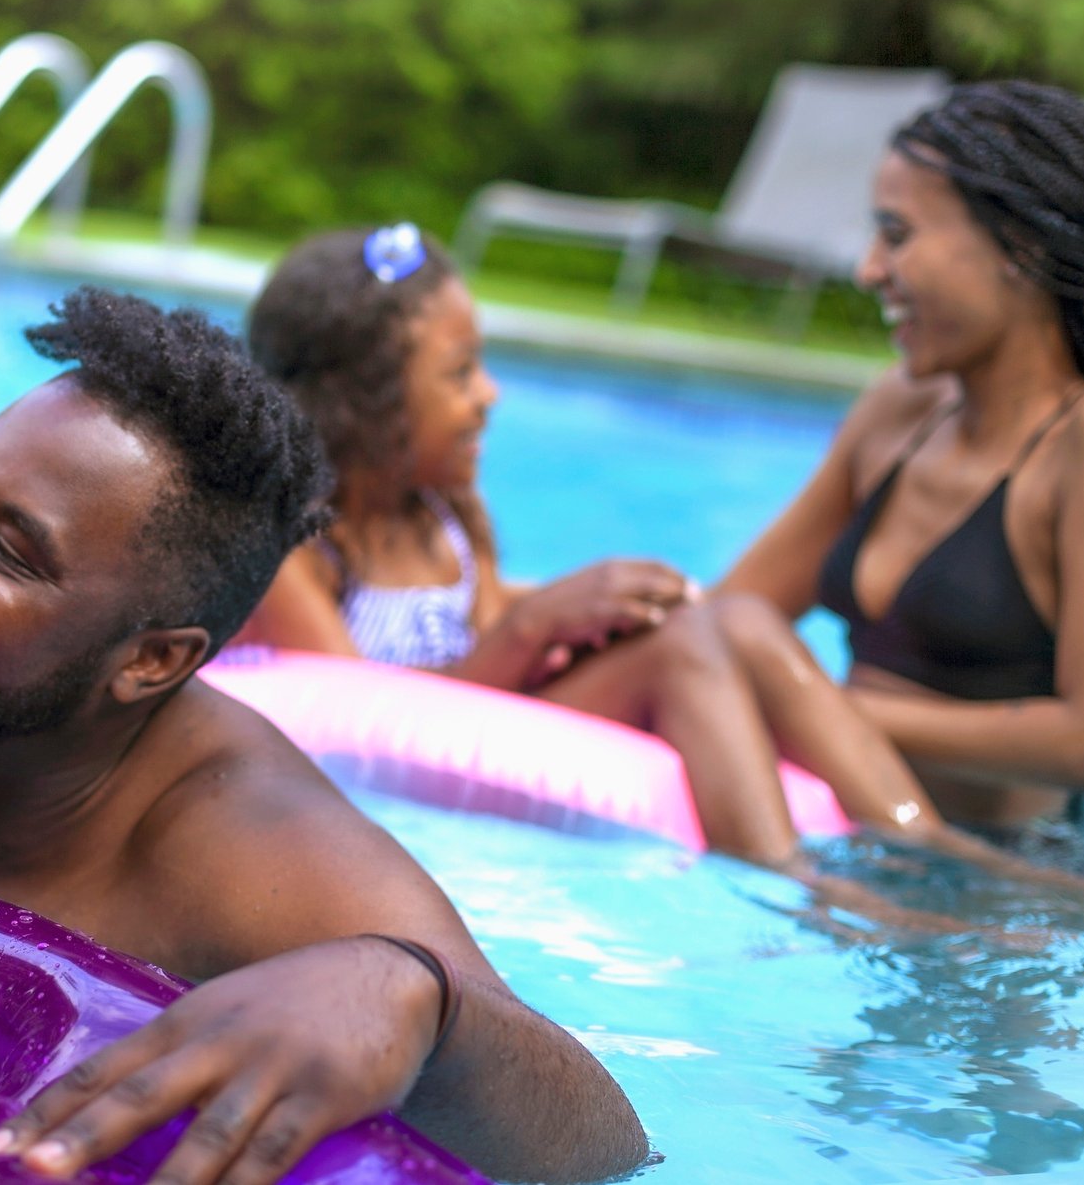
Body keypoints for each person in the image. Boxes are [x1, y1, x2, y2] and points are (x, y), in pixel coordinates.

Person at [0, 286, 649, 1185]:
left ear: (150, 661)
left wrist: (411, 995)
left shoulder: (239, 852)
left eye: (11, 550)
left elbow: (603, 1141)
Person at [633, 80, 1084, 869]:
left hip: (1009, 881)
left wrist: (814, 705)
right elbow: (734, 612)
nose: (869, 271)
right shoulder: (899, 412)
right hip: (851, 834)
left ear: (1022, 249)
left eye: (896, 236)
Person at [240, 222, 803, 853]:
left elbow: (483, 638)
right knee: (682, 652)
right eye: (459, 374)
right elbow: (348, 720)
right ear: (363, 405)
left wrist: (590, 615)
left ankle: (905, 840)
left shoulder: (448, 519)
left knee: (739, 622)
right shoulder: (299, 550)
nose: (489, 392)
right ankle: (800, 888)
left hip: (471, 740)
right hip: (385, 798)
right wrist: (531, 629)